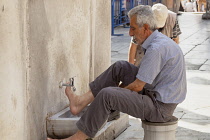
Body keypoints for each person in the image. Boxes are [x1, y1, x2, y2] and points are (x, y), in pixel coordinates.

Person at [47, 5, 187, 140]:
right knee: (120, 67)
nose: (130, 33)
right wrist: (119, 92)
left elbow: (138, 86)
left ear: (145, 28)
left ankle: (77, 139)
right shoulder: (159, 41)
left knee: (107, 95)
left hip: (159, 109)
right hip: (155, 94)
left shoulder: (156, 49)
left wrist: (117, 93)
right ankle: (79, 103)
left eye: (133, 28)